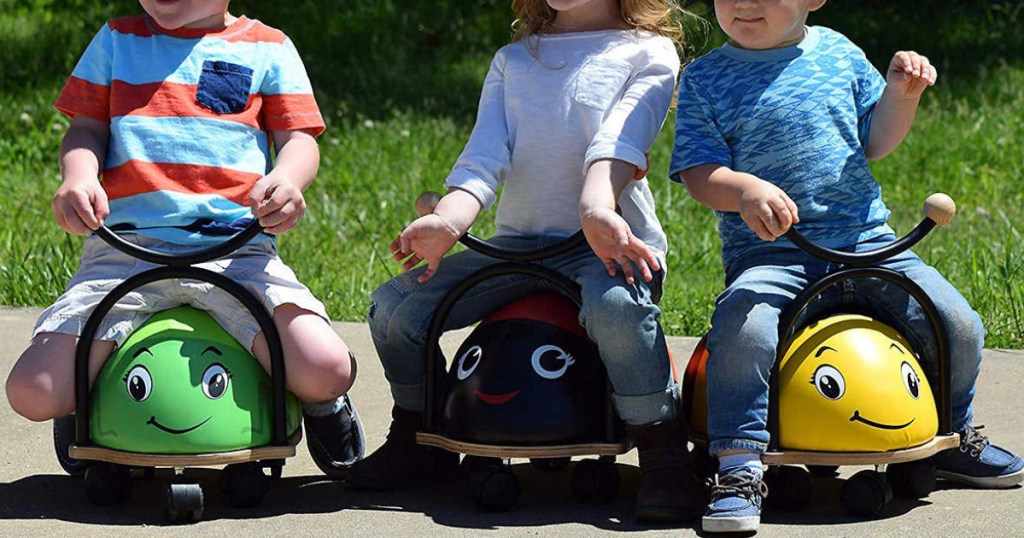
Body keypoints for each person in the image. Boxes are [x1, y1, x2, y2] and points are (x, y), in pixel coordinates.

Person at [670, 0, 1023, 533]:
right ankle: (738, 465)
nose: (744, 4)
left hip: (866, 242)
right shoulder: (704, 77)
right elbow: (699, 171)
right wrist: (744, 189)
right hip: (771, 254)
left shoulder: (839, 52)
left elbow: (875, 141)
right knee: (744, 331)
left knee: (958, 323)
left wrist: (902, 98)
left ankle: (951, 437)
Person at [348, 0, 702, 522]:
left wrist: (596, 207)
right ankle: (418, 432)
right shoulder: (514, 59)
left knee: (617, 310)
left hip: (603, 243)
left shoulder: (648, 52)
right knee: (395, 308)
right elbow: (486, 154)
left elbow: (621, 141)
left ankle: (662, 450)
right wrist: (450, 219)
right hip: (520, 244)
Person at [4, 0, 364, 479]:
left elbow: (299, 138)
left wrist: (289, 180)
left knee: (327, 368)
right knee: (32, 391)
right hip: (125, 253)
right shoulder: (116, 40)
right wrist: (79, 176)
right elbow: (85, 129)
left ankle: (322, 406)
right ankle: (83, 400)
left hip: (236, 252)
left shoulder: (269, 46)